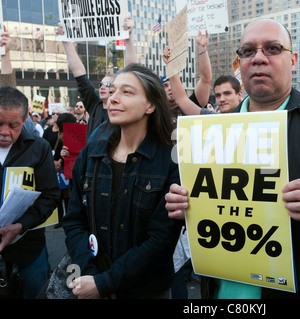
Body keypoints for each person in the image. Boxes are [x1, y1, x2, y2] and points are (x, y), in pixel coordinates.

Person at [165, 19, 300, 299]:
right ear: (240, 62)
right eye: (248, 51)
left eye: (272, 48)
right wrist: (184, 205)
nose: (258, 58)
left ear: (292, 60)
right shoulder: (211, 132)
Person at [63, 63, 182, 299]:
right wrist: (90, 276)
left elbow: (161, 240)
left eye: (127, 92)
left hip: (147, 290)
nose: (113, 98)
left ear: (150, 104)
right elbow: (75, 221)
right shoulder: (91, 153)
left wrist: (106, 282)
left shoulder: (171, 160)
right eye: (113, 90)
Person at [0, 87, 60, 298]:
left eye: (13, 125)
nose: (5, 132)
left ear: (25, 118)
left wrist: (20, 226)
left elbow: (50, 196)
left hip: (28, 248)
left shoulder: (39, 148)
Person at [56, 17, 137, 138]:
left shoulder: (123, 108)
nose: (103, 87)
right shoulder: (95, 106)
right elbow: (80, 75)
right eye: (101, 85)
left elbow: (132, 71)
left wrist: (129, 36)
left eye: (108, 85)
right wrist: (66, 41)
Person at [162, 30, 213, 124]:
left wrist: (202, 47)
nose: (170, 88)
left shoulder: (191, 105)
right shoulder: (156, 113)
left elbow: (206, 80)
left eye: (172, 84)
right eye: (165, 85)